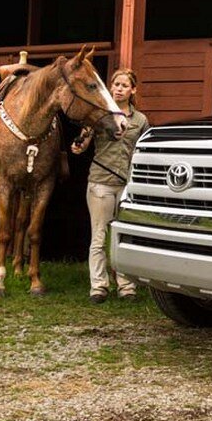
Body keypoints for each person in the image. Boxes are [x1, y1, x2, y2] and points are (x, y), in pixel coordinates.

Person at [71, 68, 149, 303]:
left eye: (124, 85)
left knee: (123, 237)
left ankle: (126, 286)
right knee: (99, 236)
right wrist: (79, 144)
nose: (119, 89)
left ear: (132, 90)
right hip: (101, 183)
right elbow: (81, 145)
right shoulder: (99, 114)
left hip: (127, 185)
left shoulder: (140, 120)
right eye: (116, 84)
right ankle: (99, 286)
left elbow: (144, 151)